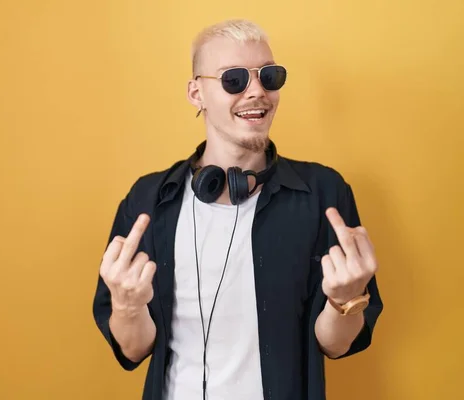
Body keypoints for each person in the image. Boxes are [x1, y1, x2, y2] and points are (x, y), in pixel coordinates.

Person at [92, 19, 383, 400]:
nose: (257, 92)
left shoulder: (323, 194)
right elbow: (134, 350)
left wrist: (345, 299)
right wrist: (128, 306)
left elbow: (335, 345)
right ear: (197, 94)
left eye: (269, 76)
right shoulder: (148, 200)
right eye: (234, 79)